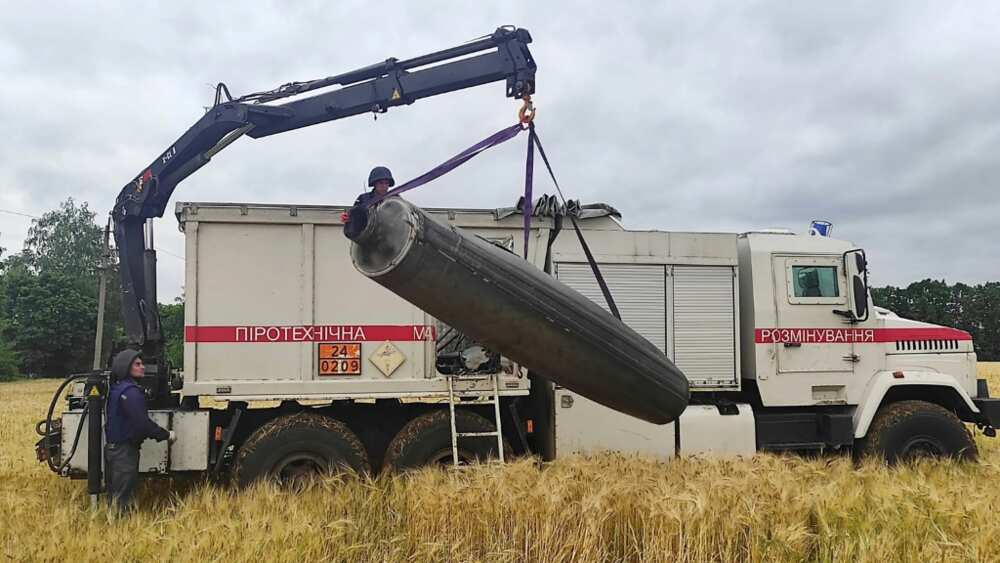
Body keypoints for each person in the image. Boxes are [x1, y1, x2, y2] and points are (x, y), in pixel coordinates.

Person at [104, 349, 174, 514]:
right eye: (137, 364)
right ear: (125, 367)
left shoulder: (117, 389)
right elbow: (142, 423)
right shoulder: (130, 392)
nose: (143, 367)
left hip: (114, 450)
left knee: (115, 497)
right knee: (122, 499)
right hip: (124, 451)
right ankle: (119, 533)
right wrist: (166, 435)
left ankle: (111, 531)